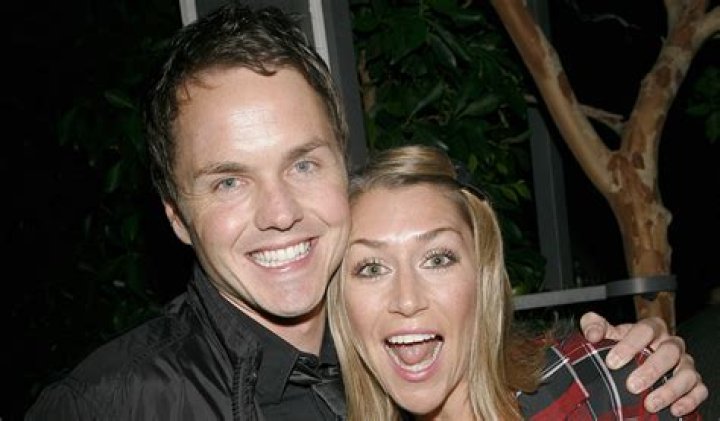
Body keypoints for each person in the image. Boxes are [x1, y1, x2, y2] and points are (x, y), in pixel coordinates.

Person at [26, 2, 706, 420]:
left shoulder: (404, 353)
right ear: (176, 216)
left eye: (302, 163)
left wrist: (630, 370)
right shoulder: (109, 405)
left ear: (341, 162)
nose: (280, 213)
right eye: (229, 181)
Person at [327, 144, 708, 420]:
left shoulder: (600, 388)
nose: (407, 300)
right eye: (372, 268)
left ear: (483, 276)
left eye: (437, 259)